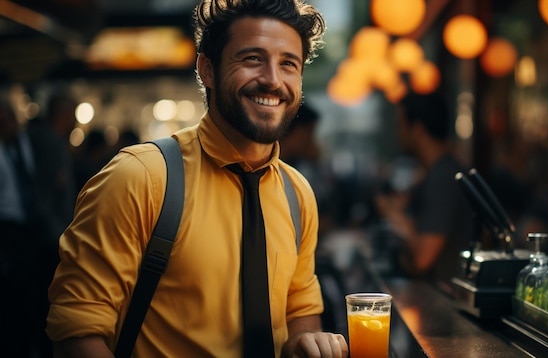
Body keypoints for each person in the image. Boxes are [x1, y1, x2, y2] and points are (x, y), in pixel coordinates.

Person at [46, 0, 348, 357]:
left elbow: (300, 311)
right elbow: (77, 332)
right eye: (252, 58)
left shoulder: (297, 194)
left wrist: (305, 341)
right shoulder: (139, 177)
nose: (272, 79)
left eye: (288, 64)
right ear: (207, 69)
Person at [375, 90, 474, 294]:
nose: (398, 133)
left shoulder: (443, 178)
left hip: (446, 303)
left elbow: (422, 259)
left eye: (401, 125)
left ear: (417, 129)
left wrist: (396, 216)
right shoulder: (441, 172)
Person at [0, 97, 41, 357]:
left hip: (29, 225)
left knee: (30, 293)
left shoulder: (25, 144)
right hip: (6, 227)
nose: (7, 126)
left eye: (9, 121)